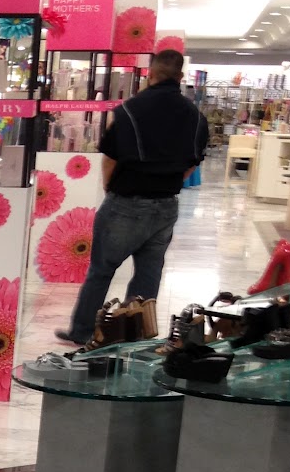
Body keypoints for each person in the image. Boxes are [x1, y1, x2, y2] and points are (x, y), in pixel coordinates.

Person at [57, 49, 209, 347]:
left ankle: (84, 331)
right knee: (148, 274)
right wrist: (169, 182)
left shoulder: (129, 110)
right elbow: (194, 161)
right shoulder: (196, 117)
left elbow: (110, 158)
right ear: (180, 77)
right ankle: (133, 334)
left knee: (102, 270)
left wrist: (109, 188)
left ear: (150, 74)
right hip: (166, 206)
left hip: (126, 200)